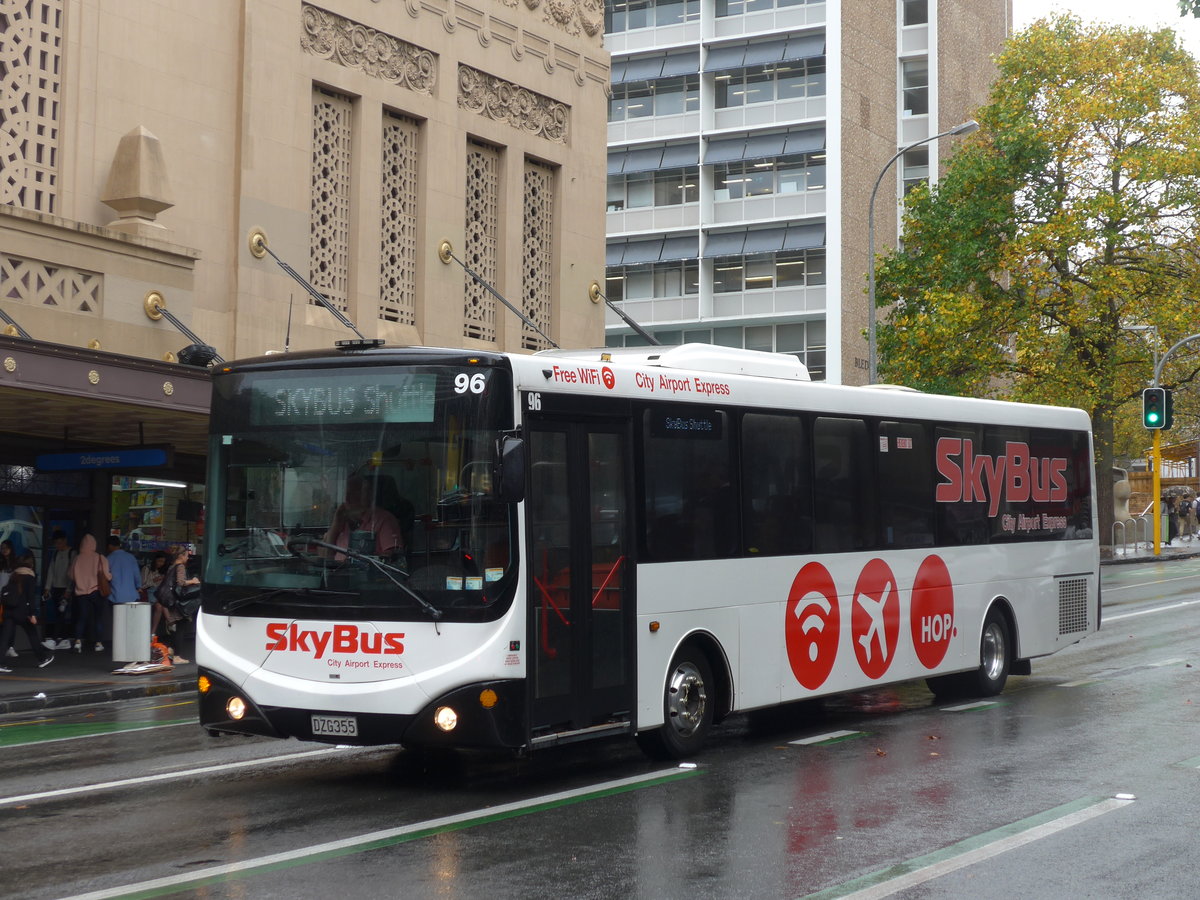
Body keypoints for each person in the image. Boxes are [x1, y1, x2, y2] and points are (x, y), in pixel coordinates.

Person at [323, 473, 403, 561]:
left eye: (352, 493)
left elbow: (392, 556)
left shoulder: (384, 519)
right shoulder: (341, 520)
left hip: (365, 570)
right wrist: (335, 525)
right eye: (344, 493)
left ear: (367, 494)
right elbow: (326, 558)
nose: (346, 498)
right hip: (337, 569)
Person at [0, 553, 54, 672]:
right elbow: (30, 598)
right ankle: (42, 658)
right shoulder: (29, 577)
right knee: (32, 634)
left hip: (8, 611)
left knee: (4, 637)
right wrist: (32, 614)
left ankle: (1, 663)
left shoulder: (14, 575)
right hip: (22, 612)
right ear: (30, 565)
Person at [152, 545, 198, 664]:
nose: (187, 558)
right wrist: (193, 581)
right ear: (181, 556)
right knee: (180, 628)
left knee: (176, 627)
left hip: (171, 601)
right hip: (178, 601)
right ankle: (177, 656)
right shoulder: (180, 566)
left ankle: (171, 651)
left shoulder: (171, 566)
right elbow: (181, 582)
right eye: (186, 556)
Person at [70, 534, 112, 653]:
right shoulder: (100, 557)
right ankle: (98, 644)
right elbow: (107, 576)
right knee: (98, 617)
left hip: (81, 593)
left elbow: (71, 575)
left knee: (81, 618)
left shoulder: (77, 558)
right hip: (96, 591)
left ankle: (78, 642)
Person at [42, 529, 75, 650]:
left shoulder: (72, 553)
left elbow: (73, 573)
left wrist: (68, 590)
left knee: (61, 614)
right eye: (56, 543)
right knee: (59, 613)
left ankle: (54, 639)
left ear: (65, 540)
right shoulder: (55, 553)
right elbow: (51, 571)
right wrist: (47, 588)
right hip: (56, 588)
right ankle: (65, 639)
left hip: (66, 589)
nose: (58, 545)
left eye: (59, 543)